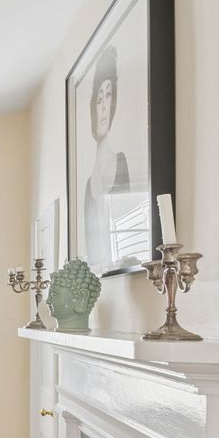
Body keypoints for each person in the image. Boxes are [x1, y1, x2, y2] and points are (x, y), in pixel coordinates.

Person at [83, 45, 130, 274]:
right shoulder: (87, 186)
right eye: (99, 97)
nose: (103, 106)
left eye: (108, 94)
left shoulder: (122, 165)